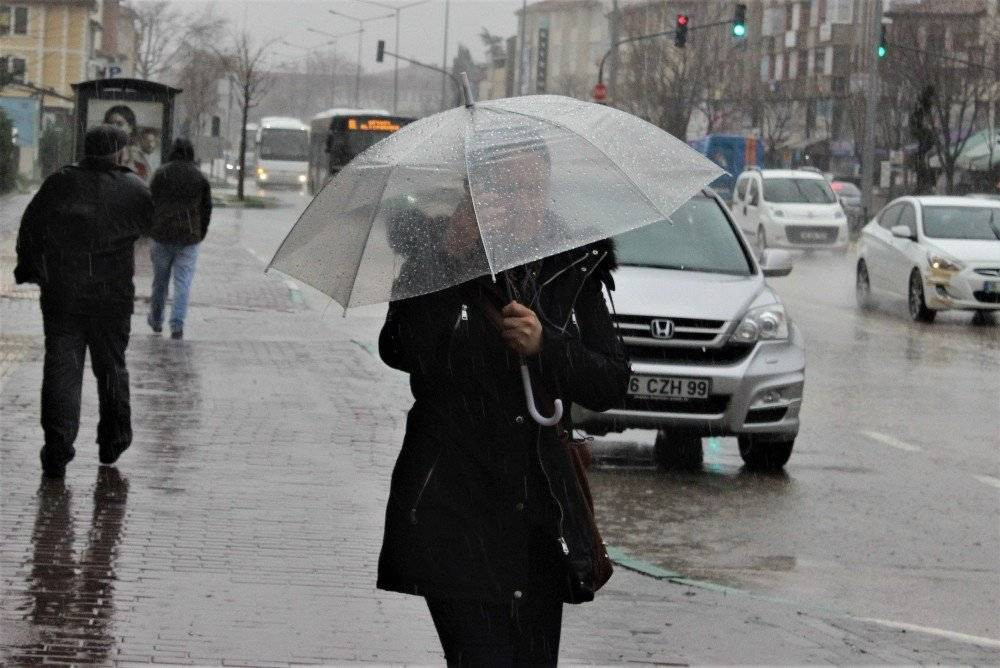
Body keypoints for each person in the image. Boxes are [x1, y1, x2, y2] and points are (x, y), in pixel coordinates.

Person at [376, 137, 630, 665]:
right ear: (475, 194)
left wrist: (548, 347)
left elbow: (611, 382)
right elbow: (399, 347)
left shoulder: (570, 266)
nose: (521, 202)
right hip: (455, 507)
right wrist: (450, 257)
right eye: (505, 188)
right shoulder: (437, 258)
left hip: (540, 518)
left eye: (532, 188)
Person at [14, 125, 152, 478]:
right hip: (112, 297)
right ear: (119, 153)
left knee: (62, 369)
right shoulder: (133, 189)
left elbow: (31, 228)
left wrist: (30, 269)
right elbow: (150, 227)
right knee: (111, 367)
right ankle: (113, 439)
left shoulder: (59, 183)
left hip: (63, 294)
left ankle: (58, 449)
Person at [146, 138, 212, 340]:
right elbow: (206, 208)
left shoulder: (161, 173)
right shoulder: (199, 177)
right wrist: (201, 232)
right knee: (182, 283)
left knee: (160, 282)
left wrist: (151, 225)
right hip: (189, 237)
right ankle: (177, 325)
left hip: (161, 234)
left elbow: (150, 201)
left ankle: (156, 320)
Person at [103, 105, 150, 183]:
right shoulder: (99, 157)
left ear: (130, 128)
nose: (114, 128)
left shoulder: (139, 162)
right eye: (110, 124)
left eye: (119, 124)